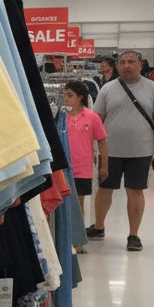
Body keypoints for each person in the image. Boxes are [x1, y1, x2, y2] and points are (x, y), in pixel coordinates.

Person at [87, 50, 154, 251]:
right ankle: (99, 227)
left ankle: (133, 235)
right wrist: (92, 147)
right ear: (118, 66)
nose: (126, 66)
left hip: (140, 150)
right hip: (110, 151)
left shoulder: (152, 88)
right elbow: (97, 119)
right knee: (104, 189)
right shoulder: (107, 89)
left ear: (140, 65)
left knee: (135, 191)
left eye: (131, 62)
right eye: (122, 62)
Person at [63, 80, 108, 221]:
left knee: (78, 204)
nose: (66, 98)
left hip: (82, 169)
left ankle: (78, 233)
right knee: (62, 204)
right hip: (63, 168)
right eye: (65, 95)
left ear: (80, 97)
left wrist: (104, 166)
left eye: (70, 95)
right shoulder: (61, 117)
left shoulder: (92, 117)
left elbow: (102, 141)